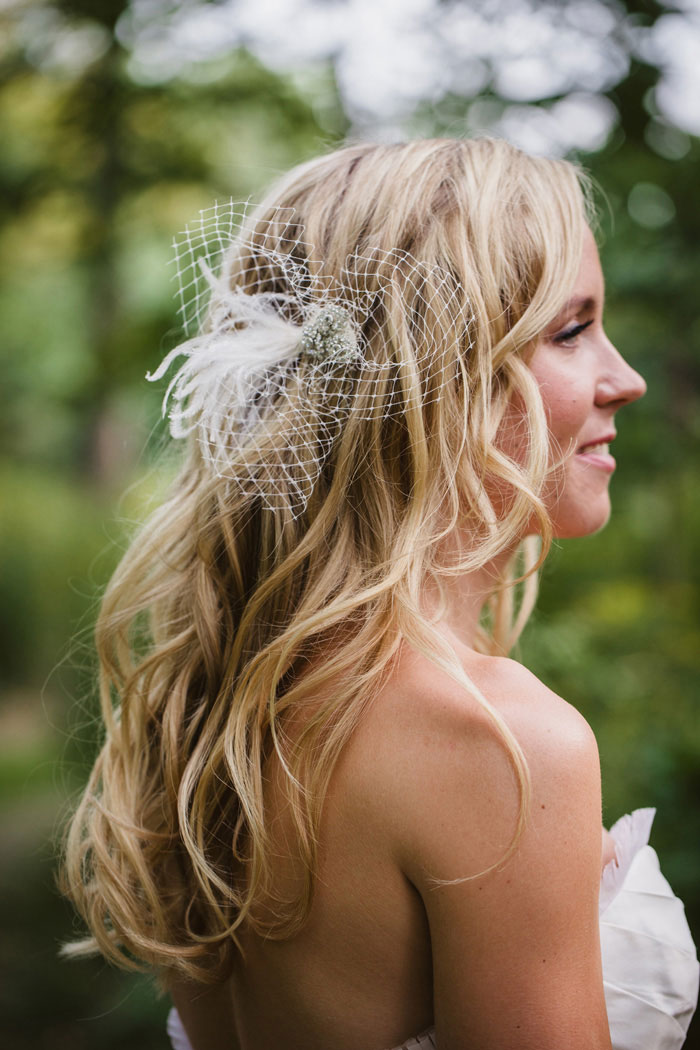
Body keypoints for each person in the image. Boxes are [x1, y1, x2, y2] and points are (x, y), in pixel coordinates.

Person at [60, 138, 699, 1050]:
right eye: (570, 330)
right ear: (431, 380)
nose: (625, 379)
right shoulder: (504, 747)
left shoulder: (217, 713)